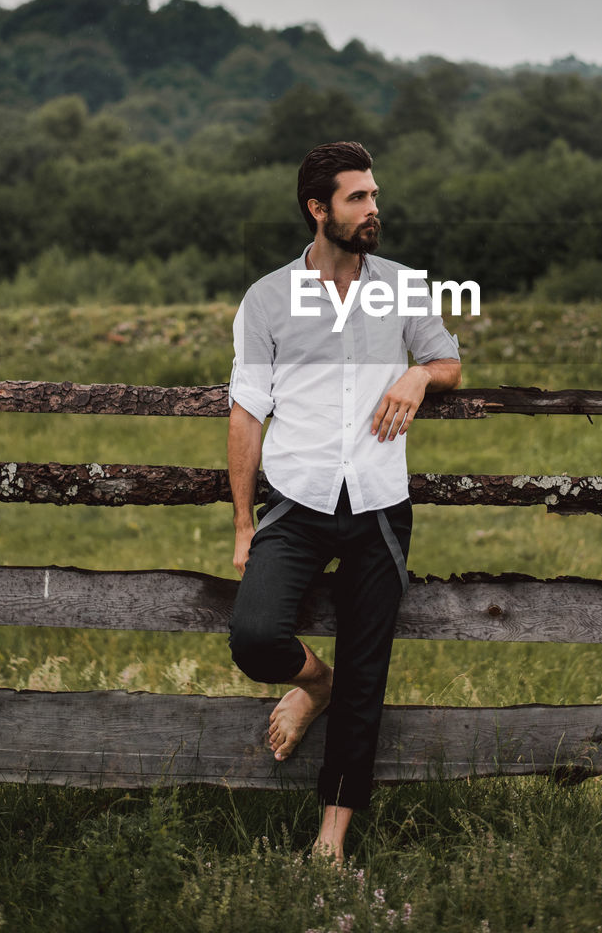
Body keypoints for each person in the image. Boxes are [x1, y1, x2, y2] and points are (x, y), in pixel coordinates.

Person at [227, 140, 461, 862]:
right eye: (358, 198)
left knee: (370, 675)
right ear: (317, 209)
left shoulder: (400, 285)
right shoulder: (267, 299)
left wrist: (418, 378)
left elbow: (448, 360)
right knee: (257, 636)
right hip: (296, 502)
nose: (374, 209)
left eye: (375, 196)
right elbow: (245, 412)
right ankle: (313, 684)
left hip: (379, 507)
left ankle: (330, 843)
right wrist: (243, 525)